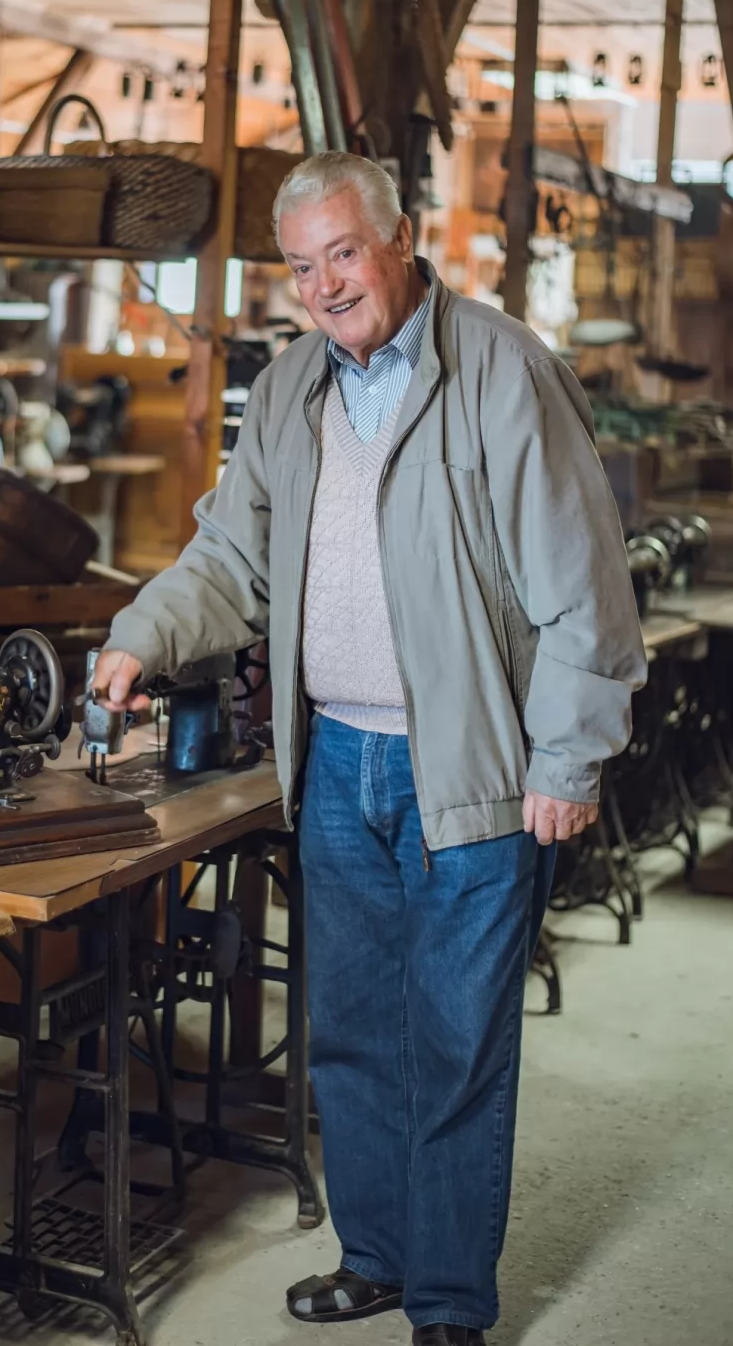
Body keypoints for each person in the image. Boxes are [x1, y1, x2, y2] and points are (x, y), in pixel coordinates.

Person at [92, 152, 646, 1345]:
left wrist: (566, 756)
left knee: (453, 1038)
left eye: (342, 252)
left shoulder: (501, 369)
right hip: (336, 758)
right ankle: (377, 1253)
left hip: (471, 764)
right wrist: (140, 635)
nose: (325, 285)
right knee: (348, 1028)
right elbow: (229, 558)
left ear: (398, 239)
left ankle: (446, 1300)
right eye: (300, 267)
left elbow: (581, 583)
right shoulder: (292, 384)